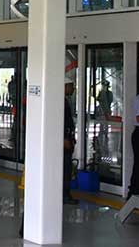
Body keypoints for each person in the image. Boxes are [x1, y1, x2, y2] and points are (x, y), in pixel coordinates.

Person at [63, 75, 78, 205]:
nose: (73, 89)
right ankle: (64, 195)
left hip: (68, 138)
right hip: (64, 140)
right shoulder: (60, 102)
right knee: (65, 168)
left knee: (67, 168)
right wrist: (64, 138)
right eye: (71, 86)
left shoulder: (65, 101)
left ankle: (65, 193)